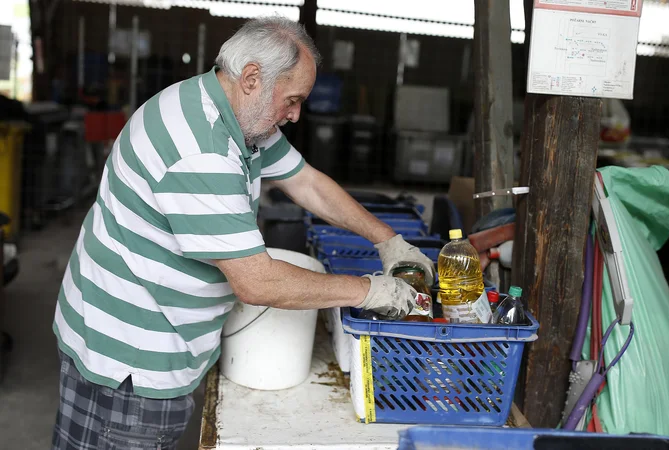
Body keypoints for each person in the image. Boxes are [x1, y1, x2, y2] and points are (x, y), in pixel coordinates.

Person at [51, 17, 434, 449]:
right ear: (252, 77)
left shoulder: (234, 112)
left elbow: (305, 182)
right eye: (292, 100)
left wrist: (387, 240)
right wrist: (368, 291)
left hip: (152, 334)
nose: (295, 115)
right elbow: (255, 281)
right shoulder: (202, 150)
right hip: (130, 362)